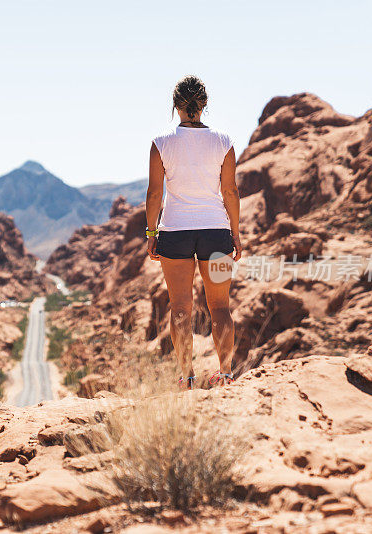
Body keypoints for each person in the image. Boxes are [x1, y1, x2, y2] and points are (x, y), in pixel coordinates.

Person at [145, 75, 242, 390]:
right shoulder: (223, 142)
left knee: (180, 308)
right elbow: (230, 192)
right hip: (216, 231)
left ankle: (186, 377)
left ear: (175, 105)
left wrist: (151, 233)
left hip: (176, 231)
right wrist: (236, 234)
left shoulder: (161, 143)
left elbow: (154, 195)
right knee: (221, 307)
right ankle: (225, 373)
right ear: (204, 104)